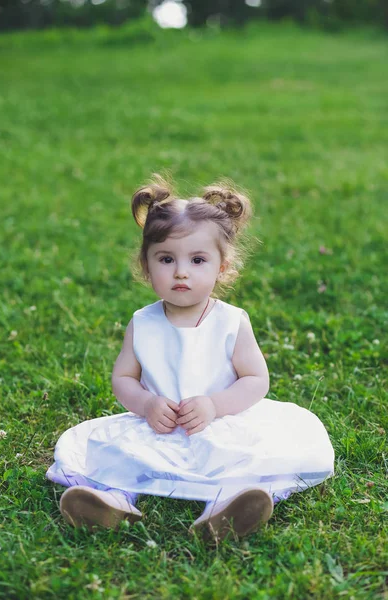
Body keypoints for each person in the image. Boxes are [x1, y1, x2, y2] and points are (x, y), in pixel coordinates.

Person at [46, 175, 334, 540]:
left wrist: (215, 405)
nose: (181, 271)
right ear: (147, 266)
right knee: (115, 457)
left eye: (198, 260)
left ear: (222, 267)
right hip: (159, 426)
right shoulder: (143, 322)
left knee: (246, 460)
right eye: (166, 259)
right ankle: (114, 503)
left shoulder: (231, 322)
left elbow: (256, 380)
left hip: (220, 422)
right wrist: (147, 403)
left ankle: (227, 509)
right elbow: (123, 379)